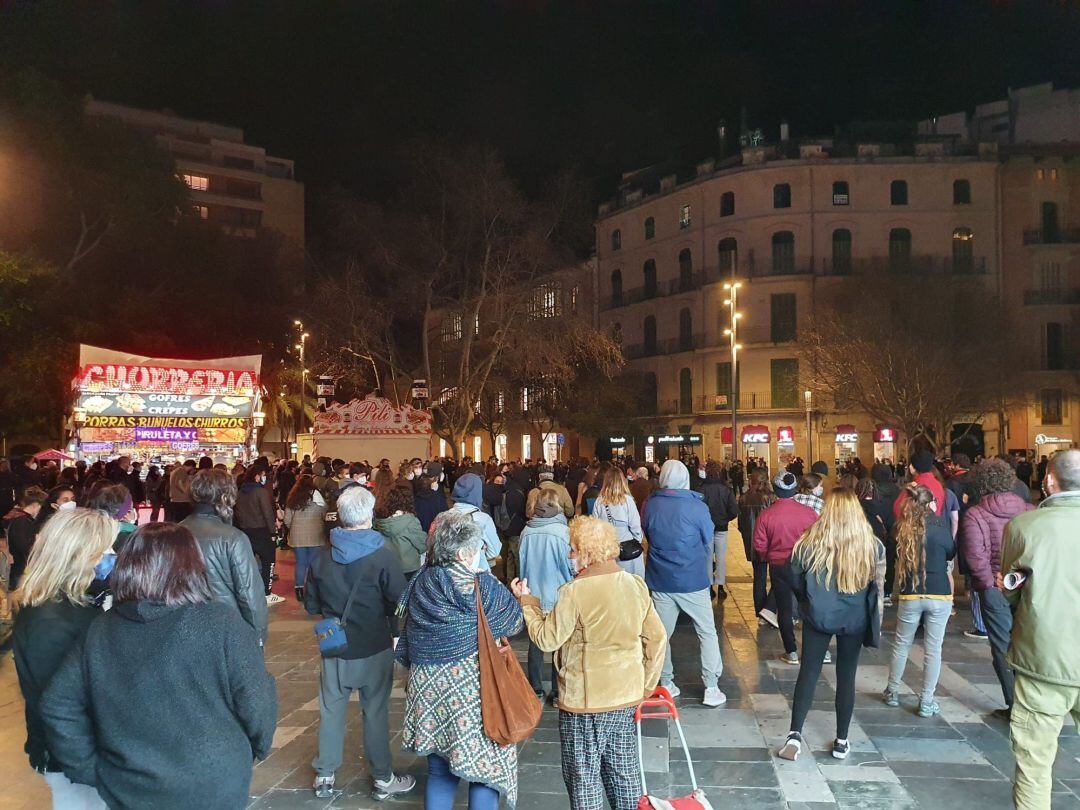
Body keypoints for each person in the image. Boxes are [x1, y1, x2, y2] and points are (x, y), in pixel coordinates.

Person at [40, 522, 277, 809]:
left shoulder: (102, 628)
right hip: (214, 781)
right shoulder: (221, 622)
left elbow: (57, 703)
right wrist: (252, 748)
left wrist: (90, 768)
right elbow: (256, 700)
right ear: (191, 565)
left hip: (131, 784)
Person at [513, 516, 667, 810]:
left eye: (572, 550)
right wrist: (644, 686)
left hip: (583, 702)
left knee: (583, 778)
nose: (570, 556)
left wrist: (528, 604)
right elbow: (657, 640)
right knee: (624, 776)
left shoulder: (574, 592)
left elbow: (547, 639)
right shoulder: (634, 584)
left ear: (586, 553)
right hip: (625, 697)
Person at [397, 512, 524, 808]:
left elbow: (408, 636)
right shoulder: (482, 586)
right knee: (485, 772)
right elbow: (513, 624)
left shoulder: (420, 583)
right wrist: (518, 598)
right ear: (465, 553)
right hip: (473, 692)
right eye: (479, 549)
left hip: (428, 689)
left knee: (440, 772)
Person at [304, 485, 415, 800]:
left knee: (330, 710)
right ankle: (382, 778)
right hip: (374, 645)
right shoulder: (382, 556)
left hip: (334, 647)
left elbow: (311, 605)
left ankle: (324, 774)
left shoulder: (322, 556)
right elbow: (399, 601)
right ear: (369, 516)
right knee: (376, 712)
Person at [13, 508, 116, 809]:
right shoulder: (51, 622)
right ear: (79, 555)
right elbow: (59, 705)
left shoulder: (75, 603)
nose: (112, 555)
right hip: (72, 760)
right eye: (105, 549)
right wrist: (87, 767)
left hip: (83, 752)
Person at [778, 488, 884, 762]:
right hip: (855, 618)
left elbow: (794, 574)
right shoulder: (870, 544)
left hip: (818, 616)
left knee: (809, 672)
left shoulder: (809, 542)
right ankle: (841, 740)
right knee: (846, 677)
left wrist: (807, 600)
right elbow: (879, 583)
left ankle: (794, 735)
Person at [1000, 449, 1080, 809]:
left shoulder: (1024, 527)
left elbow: (1012, 594)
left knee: (1034, 765)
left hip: (1044, 656)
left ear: (1048, 480)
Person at [641, 459, 725, 706]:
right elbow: (708, 537)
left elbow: (647, 531)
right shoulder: (696, 507)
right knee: (706, 632)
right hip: (692, 579)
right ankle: (711, 687)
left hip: (661, 578)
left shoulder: (651, 504)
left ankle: (665, 681)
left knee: (661, 635)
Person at [958, 458, 1033, 719]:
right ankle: (1032, 703)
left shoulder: (976, 514)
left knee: (1002, 647)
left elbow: (975, 557)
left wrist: (988, 586)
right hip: (1027, 587)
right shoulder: (1028, 509)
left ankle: (1014, 705)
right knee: (1029, 644)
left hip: (994, 589)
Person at [882, 485, 955, 717]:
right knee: (933, 650)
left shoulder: (902, 528)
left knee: (902, 643)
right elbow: (950, 552)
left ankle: (892, 691)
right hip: (939, 593)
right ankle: (926, 700)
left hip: (910, 591)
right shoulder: (940, 527)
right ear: (931, 503)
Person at [181, 469, 269, 645]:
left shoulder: (174, 532)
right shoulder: (233, 538)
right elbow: (249, 592)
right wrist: (258, 635)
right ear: (225, 498)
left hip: (183, 626)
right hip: (226, 627)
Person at [753, 475, 822, 663]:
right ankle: (816, 650)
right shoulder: (809, 513)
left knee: (783, 609)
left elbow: (759, 544)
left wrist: (770, 557)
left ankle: (791, 651)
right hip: (803, 565)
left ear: (775, 490)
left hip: (779, 566)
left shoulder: (766, 515)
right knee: (809, 606)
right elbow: (818, 540)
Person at [517, 489, 573, 703]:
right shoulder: (562, 532)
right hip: (558, 593)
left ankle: (536, 689)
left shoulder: (526, 531)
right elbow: (568, 565)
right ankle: (558, 692)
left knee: (535, 643)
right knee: (559, 644)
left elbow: (522, 565)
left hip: (534, 594)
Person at [590, 464, 645, 577]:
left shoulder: (599, 502)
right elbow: (635, 526)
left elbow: (595, 527)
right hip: (628, 550)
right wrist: (637, 541)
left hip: (608, 549)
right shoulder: (627, 500)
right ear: (622, 481)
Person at [440, 472, 501, 571]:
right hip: (477, 573)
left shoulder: (444, 516)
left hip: (448, 572)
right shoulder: (483, 519)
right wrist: (480, 553)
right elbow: (494, 551)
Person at [739, 470, 779, 620]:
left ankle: (760, 612)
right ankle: (770, 608)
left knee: (759, 578)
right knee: (777, 577)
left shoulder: (743, 498)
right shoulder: (771, 497)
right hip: (771, 541)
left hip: (753, 544)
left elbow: (741, 524)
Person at [235, 466, 280, 600]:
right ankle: (267, 592)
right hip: (262, 531)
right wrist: (273, 532)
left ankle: (247, 592)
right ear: (256, 476)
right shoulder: (261, 492)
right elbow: (267, 513)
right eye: (262, 475)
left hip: (246, 531)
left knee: (247, 564)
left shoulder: (240, 492)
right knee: (269, 562)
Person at [699, 460, 739, 600]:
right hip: (722, 527)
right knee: (721, 557)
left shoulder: (702, 488)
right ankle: (721, 586)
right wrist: (725, 519)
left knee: (708, 557)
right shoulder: (726, 488)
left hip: (706, 528)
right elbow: (734, 510)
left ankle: (709, 586)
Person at [284, 475, 328, 601]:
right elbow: (324, 515)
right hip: (316, 535)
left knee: (301, 563)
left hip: (297, 536)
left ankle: (299, 589)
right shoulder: (318, 498)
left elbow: (287, 520)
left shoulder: (293, 499)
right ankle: (313, 590)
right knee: (313, 564)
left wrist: (294, 528)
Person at [373, 484, 427, 578]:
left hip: (387, 566)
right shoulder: (410, 521)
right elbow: (422, 545)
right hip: (409, 567)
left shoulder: (378, 520)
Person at [2, 486, 48, 591]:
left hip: (15, 564)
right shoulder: (21, 521)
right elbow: (23, 546)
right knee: (17, 595)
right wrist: (37, 542)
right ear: (35, 505)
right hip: (20, 566)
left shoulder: (16, 516)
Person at [893, 451, 944, 520]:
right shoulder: (938, 484)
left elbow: (897, 509)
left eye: (911, 464)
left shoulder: (915, 486)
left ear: (914, 467)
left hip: (918, 527)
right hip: (936, 524)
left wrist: (906, 489)